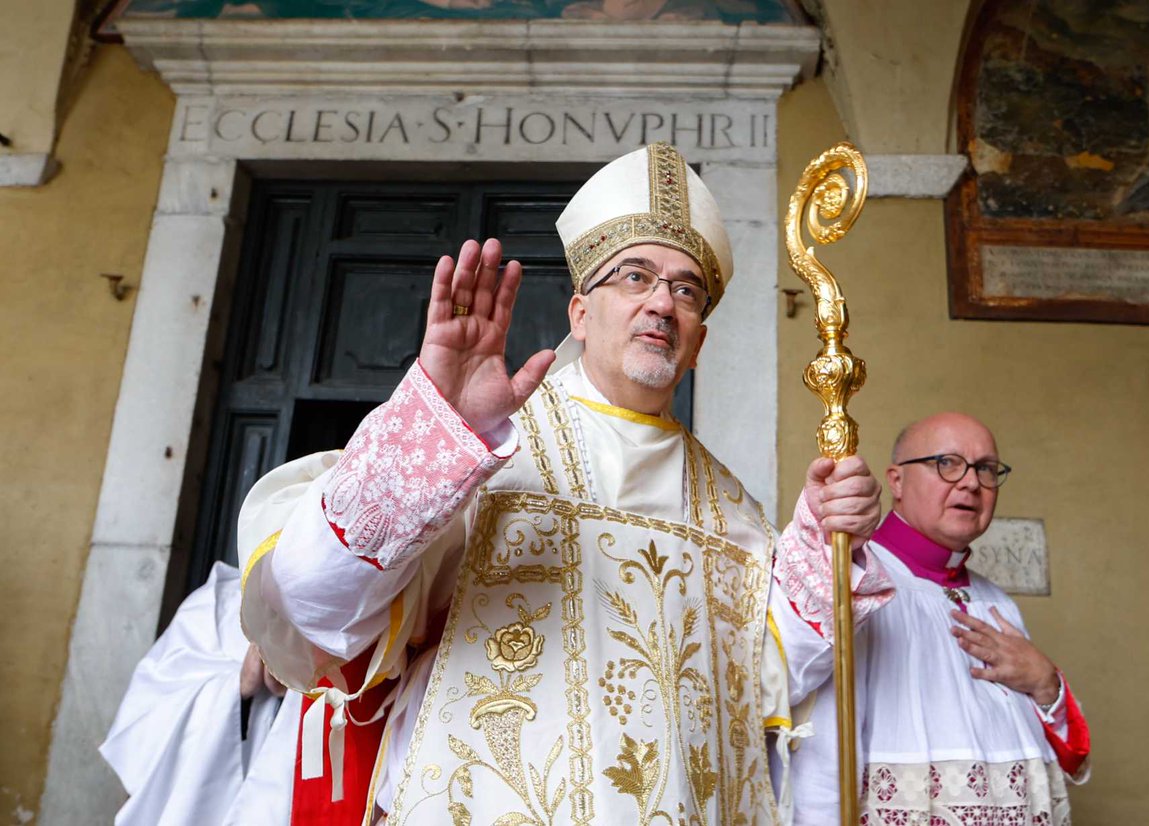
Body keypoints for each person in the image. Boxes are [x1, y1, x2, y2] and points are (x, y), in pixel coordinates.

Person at [236, 142, 894, 825]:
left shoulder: (732, 513)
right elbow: (314, 606)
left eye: (686, 290)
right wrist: (436, 429)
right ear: (580, 313)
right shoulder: (482, 448)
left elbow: (762, 682)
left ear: (699, 342)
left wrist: (823, 541)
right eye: (635, 277)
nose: (661, 303)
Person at [784, 412, 1091, 825]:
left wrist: (1045, 682)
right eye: (947, 463)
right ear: (896, 481)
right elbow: (818, 750)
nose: (971, 483)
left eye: (985, 468)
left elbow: (1070, 754)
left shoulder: (997, 602)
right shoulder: (855, 583)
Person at [100, 562, 300, 826]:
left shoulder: (346, 622)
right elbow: (146, 723)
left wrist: (297, 687)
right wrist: (237, 687)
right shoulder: (212, 607)